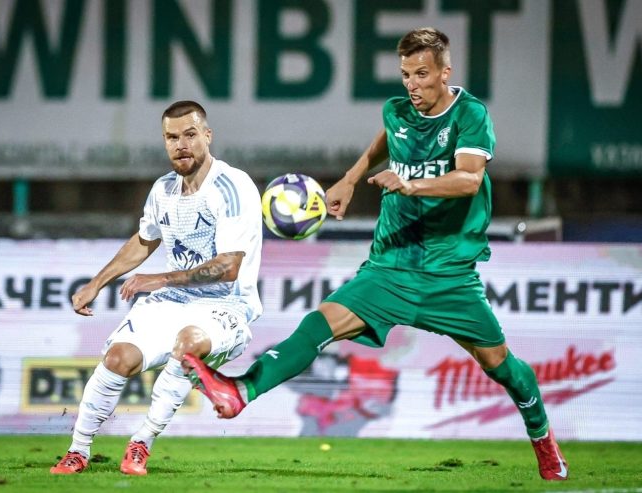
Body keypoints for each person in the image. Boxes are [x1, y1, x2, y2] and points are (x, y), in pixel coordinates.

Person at [185, 28, 569, 481]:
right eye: (405, 74)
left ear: (445, 72)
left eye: (421, 74)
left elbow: (469, 180)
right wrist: (350, 180)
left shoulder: (470, 115)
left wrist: (411, 184)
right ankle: (241, 392)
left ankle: (542, 438)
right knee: (318, 324)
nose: (412, 84)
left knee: (500, 366)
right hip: (390, 266)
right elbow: (385, 140)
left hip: (448, 274)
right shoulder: (397, 111)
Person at [50, 100, 263, 475]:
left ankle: (141, 442)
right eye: (172, 137)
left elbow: (229, 267)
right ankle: (78, 450)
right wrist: (97, 283)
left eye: (190, 135)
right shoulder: (163, 189)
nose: (181, 145)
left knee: (188, 345)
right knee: (118, 359)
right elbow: (145, 240)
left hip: (226, 306)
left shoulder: (232, 186)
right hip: (173, 300)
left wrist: (159, 278)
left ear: (208, 136)